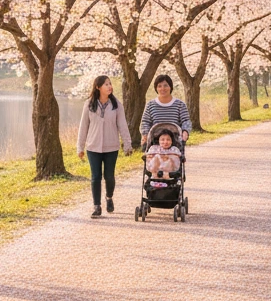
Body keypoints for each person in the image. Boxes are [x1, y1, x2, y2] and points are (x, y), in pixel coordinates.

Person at [78, 75, 133, 218]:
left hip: (111, 146)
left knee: (109, 176)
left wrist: (127, 144)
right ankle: (96, 206)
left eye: (110, 84)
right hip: (93, 147)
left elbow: (122, 125)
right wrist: (80, 147)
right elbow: (83, 126)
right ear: (98, 87)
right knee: (95, 177)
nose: (109, 86)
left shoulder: (116, 104)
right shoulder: (89, 104)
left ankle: (109, 197)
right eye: (106, 84)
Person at [140, 75, 192, 146]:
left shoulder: (180, 104)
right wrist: (145, 135)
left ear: (170, 87)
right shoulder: (150, 105)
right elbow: (145, 122)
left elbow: (186, 120)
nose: (163, 88)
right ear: (156, 88)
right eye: (159, 86)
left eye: (166, 85)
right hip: (155, 141)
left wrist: (185, 132)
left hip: (175, 141)